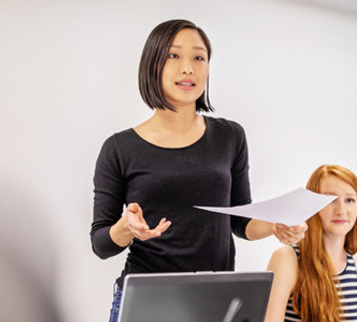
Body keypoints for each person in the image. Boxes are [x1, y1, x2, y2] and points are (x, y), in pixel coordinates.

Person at [90, 19, 307, 322]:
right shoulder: (119, 148)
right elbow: (100, 243)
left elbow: (239, 221)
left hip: (215, 301)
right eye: (174, 55)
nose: (188, 68)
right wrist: (127, 227)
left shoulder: (230, 136)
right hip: (148, 303)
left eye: (199, 57)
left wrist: (275, 225)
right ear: (152, 65)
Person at [265, 165, 357, 322]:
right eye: (331, 200)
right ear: (311, 206)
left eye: (349, 200)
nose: (341, 210)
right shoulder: (287, 258)